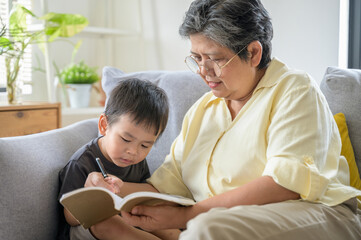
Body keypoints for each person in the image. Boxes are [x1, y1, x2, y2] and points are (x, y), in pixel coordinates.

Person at [84, 0, 361, 239]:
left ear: (253, 53)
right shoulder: (204, 110)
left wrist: (187, 216)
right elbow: (164, 186)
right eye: (196, 58)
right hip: (224, 221)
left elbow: (284, 184)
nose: (204, 72)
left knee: (206, 227)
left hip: (320, 213)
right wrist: (114, 189)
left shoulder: (295, 90)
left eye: (215, 59)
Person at [57, 78, 169, 240]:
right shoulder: (82, 162)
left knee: (161, 220)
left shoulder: (137, 162)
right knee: (107, 223)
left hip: (127, 224)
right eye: (125, 139)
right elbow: (70, 218)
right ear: (104, 125)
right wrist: (93, 194)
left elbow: (145, 197)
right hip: (87, 229)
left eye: (145, 146)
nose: (133, 151)